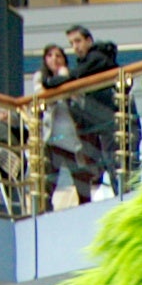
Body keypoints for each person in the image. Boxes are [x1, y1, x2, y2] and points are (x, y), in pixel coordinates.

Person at [37, 44, 102, 206]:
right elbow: (42, 97)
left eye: (58, 55)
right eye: (50, 56)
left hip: (74, 142)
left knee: (82, 185)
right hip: (52, 140)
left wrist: (65, 78)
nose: (54, 59)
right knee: (47, 186)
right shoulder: (40, 77)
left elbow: (79, 100)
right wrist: (60, 83)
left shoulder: (73, 76)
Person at [64, 24, 125, 195]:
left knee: (119, 167)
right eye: (71, 43)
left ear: (88, 41)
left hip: (116, 123)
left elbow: (73, 77)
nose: (75, 47)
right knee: (113, 167)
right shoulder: (93, 61)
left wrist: (52, 81)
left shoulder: (96, 58)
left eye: (78, 41)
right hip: (108, 125)